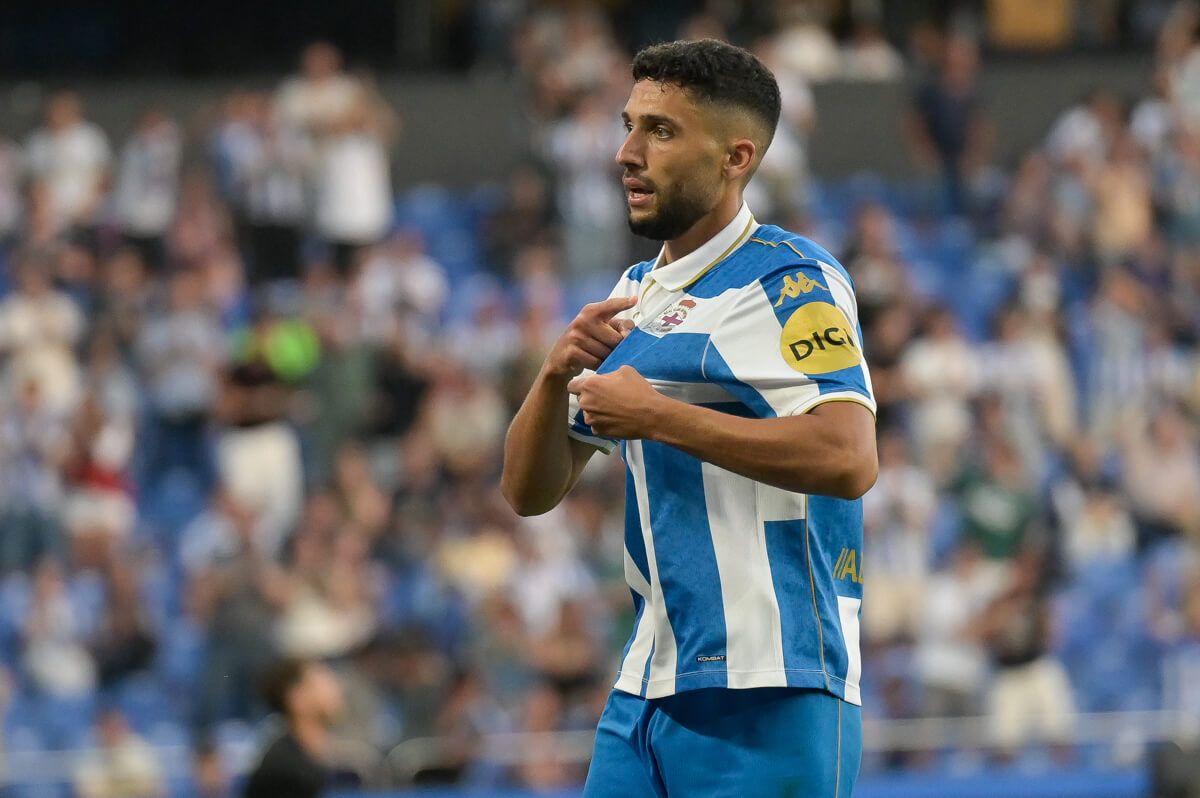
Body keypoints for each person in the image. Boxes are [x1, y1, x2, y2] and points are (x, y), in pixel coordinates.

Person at [501, 39, 877, 797]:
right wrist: (552, 377)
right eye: (628, 124)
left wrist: (658, 417)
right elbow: (529, 493)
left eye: (662, 132)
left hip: (775, 682)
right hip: (648, 685)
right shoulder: (637, 291)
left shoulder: (791, 281)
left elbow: (848, 456)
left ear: (736, 158)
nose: (627, 153)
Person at [242, 657, 345, 798]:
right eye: (323, 683)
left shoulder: (320, 758)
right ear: (296, 698)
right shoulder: (283, 770)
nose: (335, 691)